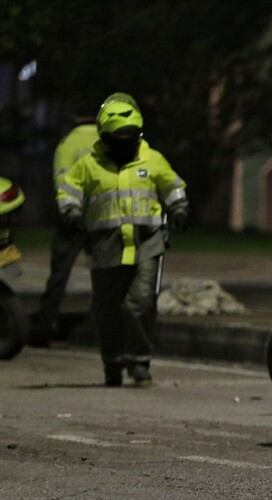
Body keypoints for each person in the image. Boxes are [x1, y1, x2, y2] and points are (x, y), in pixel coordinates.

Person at [56, 93, 189, 386]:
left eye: (130, 136)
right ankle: (113, 362)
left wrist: (178, 206)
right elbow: (69, 190)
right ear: (104, 136)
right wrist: (71, 211)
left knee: (141, 302)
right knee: (107, 307)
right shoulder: (89, 164)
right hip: (106, 245)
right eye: (118, 137)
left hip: (148, 242)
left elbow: (172, 185)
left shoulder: (152, 159)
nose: (124, 142)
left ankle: (140, 361)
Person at [29, 106, 99, 346]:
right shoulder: (108, 142)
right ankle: (105, 324)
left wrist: (69, 210)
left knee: (59, 274)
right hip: (104, 216)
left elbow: (62, 180)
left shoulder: (68, 144)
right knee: (107, 271)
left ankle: (45, 327)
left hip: (74, 217)